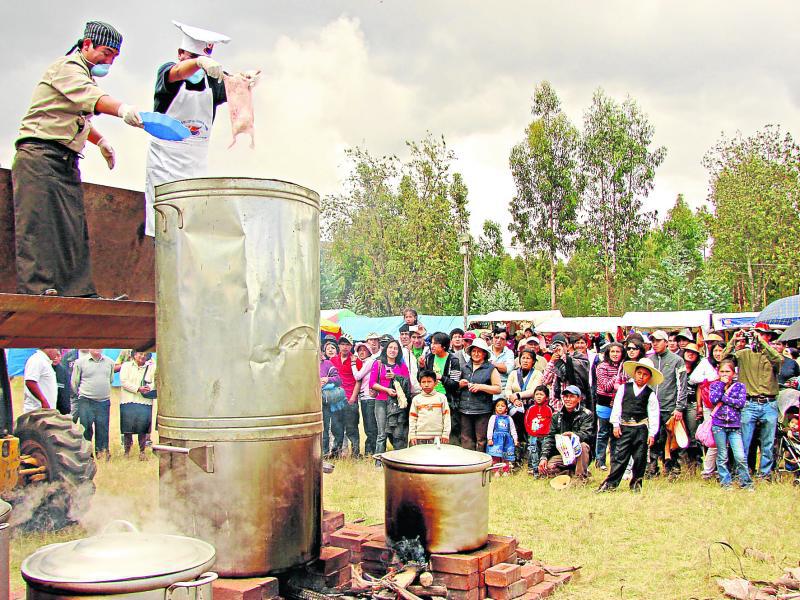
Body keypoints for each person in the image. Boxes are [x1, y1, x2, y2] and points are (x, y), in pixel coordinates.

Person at [13, 21, 143, 297]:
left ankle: (79, 293)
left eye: (114, 57)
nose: (108, 61)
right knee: (39, 227)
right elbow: (92, 98)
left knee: (74, 229)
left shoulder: (85, 76)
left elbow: (78, 116)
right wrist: (122, 109)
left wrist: (100, 141)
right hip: (39, 155)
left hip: (65, 160)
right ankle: (39, 291)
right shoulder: (67, 68)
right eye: (105, 53)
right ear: (86, 45)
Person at [144, 21, 230, 236]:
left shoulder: (214, 82)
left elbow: (235, 89)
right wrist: (198, 62)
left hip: (196, 166)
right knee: (165, 226)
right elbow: (177, 73)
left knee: (192, 228)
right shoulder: (168, 73)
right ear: (180, 53)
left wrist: (245, 82)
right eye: (192, 58)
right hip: (164, 165)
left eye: (204, 60)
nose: (199, 66)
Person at [723, 323, 783, 479]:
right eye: (756, 333)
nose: (757, 337)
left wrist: (762, 342)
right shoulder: (744, 354)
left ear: (768, 337)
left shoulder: (772, 355)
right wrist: (734, 340)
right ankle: (741, 473)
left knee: (768, 443)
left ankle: (765, 474)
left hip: (769, 403)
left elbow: (778, 359)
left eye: (762, 334)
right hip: (749, 403)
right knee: (743, 442)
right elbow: (723, 359)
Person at [597, 358, 661, 492]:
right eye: (639, 373)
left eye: (645, 375)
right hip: (624, 427)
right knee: (620, 457)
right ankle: (610, 484)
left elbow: (654, 415)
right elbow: (617, 407)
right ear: (634, 373)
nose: (641, 377)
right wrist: (615, 424)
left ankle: (636, 484)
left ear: (649, 377)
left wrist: (652, 433)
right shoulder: (624, 388)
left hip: (641, 429)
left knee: (640, 458)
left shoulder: (650, 394)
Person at [708, 359, 754, 491]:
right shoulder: (715, 385)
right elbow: (713, 399)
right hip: (718, 425)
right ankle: (725, 483)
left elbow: (740, 403)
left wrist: (724, 398)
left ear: (733, 373)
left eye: (727, 371)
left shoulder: (740, 386)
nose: (725, 374)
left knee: (740, 455)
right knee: (722, 455)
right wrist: (722, 387)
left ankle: (746, 483)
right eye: (722, 371)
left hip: (734, 426)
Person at [648, 330, 688, 478]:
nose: (655, 343)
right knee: (653, 438)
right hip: (652, 408)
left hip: (670, 407)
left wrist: (679, 407)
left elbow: (682, 385)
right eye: (653, 341)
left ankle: (672, 468)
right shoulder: (649, 360)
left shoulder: (677, 360)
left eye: (658, 341)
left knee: (672, 439)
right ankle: (652, 468)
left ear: (666, 342)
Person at [538, 385, 594, 481]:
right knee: (546, 470)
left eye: (572, 396)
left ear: (579, 398)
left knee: (583, 446)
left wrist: (573, 436)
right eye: (566, 396)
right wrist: (543, 457)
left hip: (580, 453)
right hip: (563, 453)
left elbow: (587, 434)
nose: (568, 399)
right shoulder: (556, 416)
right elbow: (550, 438)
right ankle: (571, 473)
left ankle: (580, 478)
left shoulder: (586, 414)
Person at [458, 339, 502, 451]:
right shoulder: (464, 368)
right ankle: (468, 464)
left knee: (481, 439)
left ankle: (481, 463)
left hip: (482, 409)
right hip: (465, 408)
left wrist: (481, 387)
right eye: (474, 351)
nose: (476, 354)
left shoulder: (491, 369)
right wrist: (460, 384)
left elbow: (497, 388)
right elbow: (456, 387)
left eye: (479, 351)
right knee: (466, 438)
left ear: (484, 354)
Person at [370, 339, 411, 455]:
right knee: (382, 433)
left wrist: (395, 376)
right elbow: (372, 383)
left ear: (399, 351)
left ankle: (399, 459)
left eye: (395, 348)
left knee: (398, 433)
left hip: (397, 403)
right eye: (390, 347)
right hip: (381, 402)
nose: (392, 350)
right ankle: (379, 461)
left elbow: (408, 384)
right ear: (385, 349)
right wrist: (387, 390)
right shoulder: (378, 364)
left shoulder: (402, 366)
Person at [71, 349, 114, 459]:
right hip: (86, 401)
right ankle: (87, 455)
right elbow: (74, 383)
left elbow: (110, 379)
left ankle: (102, 453)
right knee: (86, 428)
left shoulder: (109, 362)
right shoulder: (80, 362)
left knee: (103, 428)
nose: (97, 348)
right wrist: (83, 394)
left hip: (104, 401)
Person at [687, 343, 720, 480]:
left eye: (721, 350)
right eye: (716, 350)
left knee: (724, 439)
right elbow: (694, 380)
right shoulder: (706, 363)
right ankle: (708, 470)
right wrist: (710, 381)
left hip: (727, 407)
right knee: (711, 438)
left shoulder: (730, 363)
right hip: (709, 405)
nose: (718, 353)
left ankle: (721, 468)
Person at [504, 349, 544, 462]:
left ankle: (531, 457)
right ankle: (515, 456)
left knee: (531, 431)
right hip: (515, 405)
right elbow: (507, 389)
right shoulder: (513, 373)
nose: (525, 360)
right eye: (523, 358)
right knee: (515, 428)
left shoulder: (537, 374)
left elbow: (533, 391)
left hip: (531, 406)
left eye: (528, 358)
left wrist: (517, 395)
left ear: (533, 361)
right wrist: (512, 399)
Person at [422, 332, 461, 445]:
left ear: (444, 346)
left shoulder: (453, 361)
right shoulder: (429, 358)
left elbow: (455, 384)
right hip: (431, 399)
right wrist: (421, 367)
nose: (432, 346)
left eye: (435, 343)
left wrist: (441, 378)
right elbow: (424, 378)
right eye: (431, 343)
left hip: (447, 400)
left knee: (449, 430)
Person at [119, 351, 156, 460]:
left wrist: (149, 388)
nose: (142, 356)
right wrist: (138, 389)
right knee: (127, 429)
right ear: (134, 355)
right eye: (140, 354)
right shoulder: (126, 366)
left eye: (145, 355)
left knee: (143, 429)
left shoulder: (152, 367)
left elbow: (156, 381)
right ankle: (126, 452)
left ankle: (142, 452)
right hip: (128, 401)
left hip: (145, 402)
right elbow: (124, 382)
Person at [330, 334, 362, 457]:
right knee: (336, 428)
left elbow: (358, 380)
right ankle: (336, 453)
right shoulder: (333, 360)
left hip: (350, 398)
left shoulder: (356, 361)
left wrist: (353, 397)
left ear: (351, 346)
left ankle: (355, 454)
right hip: (336, 400)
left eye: (347, 344)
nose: (345, 347)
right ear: (339, 346)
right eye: (342, 344)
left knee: (352, 428)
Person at [594, 342, 624, 471]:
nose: (615, 354)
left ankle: (615, 460)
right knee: (603, 432)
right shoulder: (602, 367)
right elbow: (606, 386)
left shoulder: (625, 367)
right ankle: (600, 460)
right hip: (604, 403)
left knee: (616, 433)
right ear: (608, 353)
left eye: (618, 352)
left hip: (620, 404)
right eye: (613, 351)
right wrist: (617, 376)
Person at [408, 369, 451, 445]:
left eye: (429, 381)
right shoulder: (416, 399)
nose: (426, 384)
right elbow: (412, 419)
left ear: (435, 383)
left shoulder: (441, 398)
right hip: (420, 437)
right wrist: (412, 435)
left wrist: (445, 434)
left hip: (438, 437)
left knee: (436, 456)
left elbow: (446, 417)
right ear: (420, 384)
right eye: (423, 382)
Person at [320, 341, 344, 458]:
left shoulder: (327, 364)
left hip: (326, 402)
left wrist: (327, 379)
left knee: (329, 428)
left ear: (321, 353)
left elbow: (338, 379)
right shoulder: (307, 364)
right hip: (311, 403)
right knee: (318, 430)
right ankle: (318, 454)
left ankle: (328, 453)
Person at [353, 342, 378, 455]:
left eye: (364, 350)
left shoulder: (369, 362)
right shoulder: (364, 362)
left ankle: (370, 451)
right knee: (368, 425)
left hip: (369, 398)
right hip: (365, 398)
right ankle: (370, 450)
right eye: (359, 350)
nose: (361, 352)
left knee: (370, 426)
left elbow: (358, 376)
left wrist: (353, 364)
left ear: (369, 352)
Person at [524, 385, 552, 476]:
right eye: (537, 394)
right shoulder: (531, 409)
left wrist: (547, 432)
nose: (539, 396)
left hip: (545, 435)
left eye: (541, 394)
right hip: (533, 435)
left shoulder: (549, 409)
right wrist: (531, 432)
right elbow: (527, 421)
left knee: (543, 451)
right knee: (533, 451)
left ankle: (542, 470)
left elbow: (551, 422)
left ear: (547, 397)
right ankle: (534, 469)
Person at [22, 349, 60, 413]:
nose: (58, 353)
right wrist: (43, 401)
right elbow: (30, 382)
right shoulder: (37, 360)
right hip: (37, 410)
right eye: (57, 349)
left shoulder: (45, 361)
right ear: (49, 348)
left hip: (45, 410)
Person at [487, 400, 517, 475]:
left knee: (506, 456)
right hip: (496, 439)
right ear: (495, 408)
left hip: (507, 440)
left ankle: (505, 471)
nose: (500, 408)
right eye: (498, 406)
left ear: (506, 408)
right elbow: (490, 428)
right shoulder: (493, 417)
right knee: (496, 456)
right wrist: (490, 438)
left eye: (502, 406)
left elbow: (513, 429)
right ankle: (496, 470)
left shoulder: (509, 418)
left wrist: (515, 439)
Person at [488, 328, 515, 400]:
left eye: (502, 339)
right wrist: (500, 365)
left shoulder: (509, 353)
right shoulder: (485, 351)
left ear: (506, 341)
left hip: (503, 389)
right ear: (492, 338)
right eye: (496, 337)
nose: (499, 340)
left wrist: (492, 364)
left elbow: (508, 369)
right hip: (487, 388)